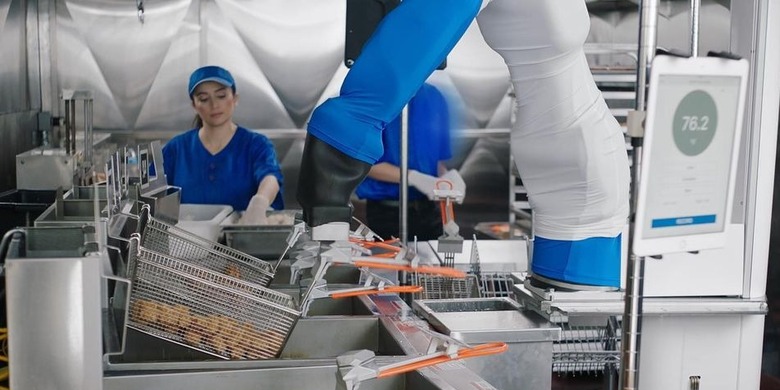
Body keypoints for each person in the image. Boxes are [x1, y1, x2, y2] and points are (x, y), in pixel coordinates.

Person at [297, 0, 629, 288]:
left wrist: (346, 129)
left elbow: (423, 26)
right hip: (563, 147)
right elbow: (422, 24)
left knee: (570, 308)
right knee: (561, 302)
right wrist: (347, 128)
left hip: (579, 155)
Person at [162, 65, 284, 225]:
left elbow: (270, 177)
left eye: (221, 95)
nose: (214, 105)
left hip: (241, 244)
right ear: (194, 105)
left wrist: (259, 202)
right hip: (188, 244)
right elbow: (154, 192)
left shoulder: (256, 145)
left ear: (235, 98)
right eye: (204, 99)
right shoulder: (176, 149)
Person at [355, 82, 466, 241]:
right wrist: (414, 177)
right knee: (390, 263)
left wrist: (446, 179)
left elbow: (437, 161)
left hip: (429, 212)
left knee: (431, 262)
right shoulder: (373, 97)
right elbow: (364, 162)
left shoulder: (434, 96)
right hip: (387, 213)